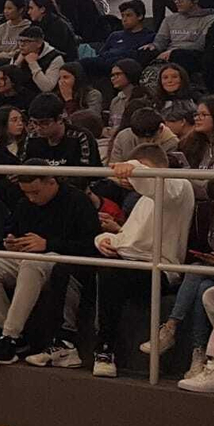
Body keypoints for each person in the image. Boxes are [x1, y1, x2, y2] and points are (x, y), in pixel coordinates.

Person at [78, 146, 194, 377]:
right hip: (129, 260)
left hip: (160, 269)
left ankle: (105, 349)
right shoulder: (142, 199)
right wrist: (104, 239)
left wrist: (134, 168)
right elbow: (126, 237)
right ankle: (63, 341)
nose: (129, 179)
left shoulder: (179, 185)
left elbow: (156, 183)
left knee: (112, 273)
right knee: (70, 265)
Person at [0, 164, 99, 363]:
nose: (32, 197)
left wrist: (48, 244)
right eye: (26, 192)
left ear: (51, 182)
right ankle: (13, 334)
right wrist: (11, 241)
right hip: (27, 258)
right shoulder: (24, 203)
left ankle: (9, 337)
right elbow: (12, 230)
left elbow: (91, 244)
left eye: (36, 192)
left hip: (62, 261)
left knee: (31, 264)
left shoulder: (77, 201)